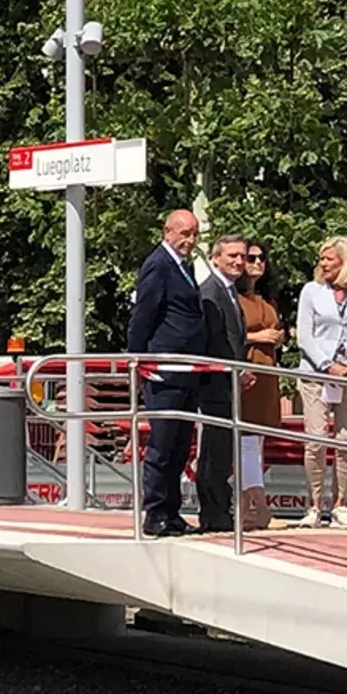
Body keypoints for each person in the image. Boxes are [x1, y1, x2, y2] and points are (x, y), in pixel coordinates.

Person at [127, 210, 207, 537]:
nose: (190, 241)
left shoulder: (182, 265)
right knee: (162, 445)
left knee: (179, 445)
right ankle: (155, 513)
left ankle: (172, 512)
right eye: (184, 233)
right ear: (167, 231)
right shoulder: (158, 264)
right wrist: (138, 359)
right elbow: (143, 314)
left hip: (186, 370)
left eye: (194, 234)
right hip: (165, 370)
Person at [195, 234, 251, 532]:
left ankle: (218, 509)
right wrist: (227, 370)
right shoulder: (210, 292)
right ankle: (213, 513)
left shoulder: (229, 291)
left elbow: (234, 338)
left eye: (242, 256)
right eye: (232, 256)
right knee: (214, 449)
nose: (239, 261)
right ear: (216, 257)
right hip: (214, 380)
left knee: (222, 447)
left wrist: (241, 370)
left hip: (229, 379)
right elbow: (212, 340)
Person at [295, 236, 347, 528]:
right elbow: (305, 337)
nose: (323, 263)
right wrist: (329, 365)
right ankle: (315, 505)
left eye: (330, 258)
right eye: (322, 258)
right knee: (315, 440)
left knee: (344, 441)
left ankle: (341, 504)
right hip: (316, 374)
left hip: (346, 377)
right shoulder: (311, 291)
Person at [237, 238, 283, 530]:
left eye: (261, 258)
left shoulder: (267, 300)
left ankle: (245, 509)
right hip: (247, 374)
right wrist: (257, 337)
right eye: (251, 258)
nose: (256, 263)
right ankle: (261, 508)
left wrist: (277, 336)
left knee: (257, 444)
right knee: (247, 444)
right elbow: (226, 333)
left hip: (268, 374)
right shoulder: (234, 298)